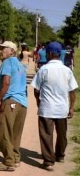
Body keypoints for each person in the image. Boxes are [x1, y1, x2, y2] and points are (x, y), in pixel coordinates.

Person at [31, 41, 78, 172]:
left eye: (47, 52)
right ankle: (60, 155)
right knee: (62, 134)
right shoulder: (67, 70)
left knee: (46, 134)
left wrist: (38, 102)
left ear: (50, 53)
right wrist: (72, 107)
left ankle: (48, 161)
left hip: (47, 108)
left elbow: (36, 89)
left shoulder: (43, 70)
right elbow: (72, 91)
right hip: (62, 109)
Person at [0, 41, 28, 172]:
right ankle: (16, 158)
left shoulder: (7, 63)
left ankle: (9, 162)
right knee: (15, 133)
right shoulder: (20, 65)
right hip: (22, 104)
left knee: (4, 132)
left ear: (12, 51)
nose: (0, 51)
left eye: (3, 49)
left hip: (11, 102)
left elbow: (6, 82)